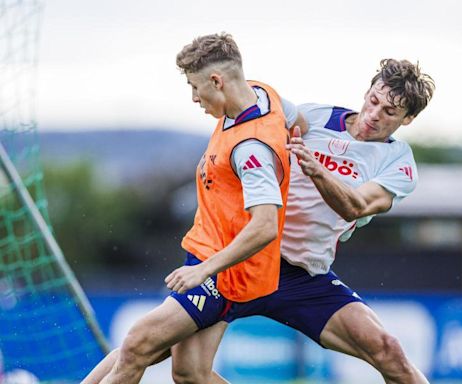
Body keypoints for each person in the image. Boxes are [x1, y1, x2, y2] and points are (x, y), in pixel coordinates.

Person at [85, 58, 435, 383]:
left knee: (388, 350)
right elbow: (261, 112)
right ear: (367, 91)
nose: (374, 114)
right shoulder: (314, 118)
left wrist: (317, 172)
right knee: (175, 363)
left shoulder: (398, 163)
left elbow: (356, 206)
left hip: (303, 276)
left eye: (389, 111)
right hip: (246, 259)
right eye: (373, 100)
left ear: (407, 120)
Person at [82, 32, 299, 384]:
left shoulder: (252, 150)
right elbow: (297, 121)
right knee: (189, 374)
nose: (194, 98)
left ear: (218, 80)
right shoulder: (264, 94)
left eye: (195, 87)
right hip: (207, 261)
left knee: (137, 343)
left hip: (222, 275)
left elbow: (265, 226)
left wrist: (205, 271)